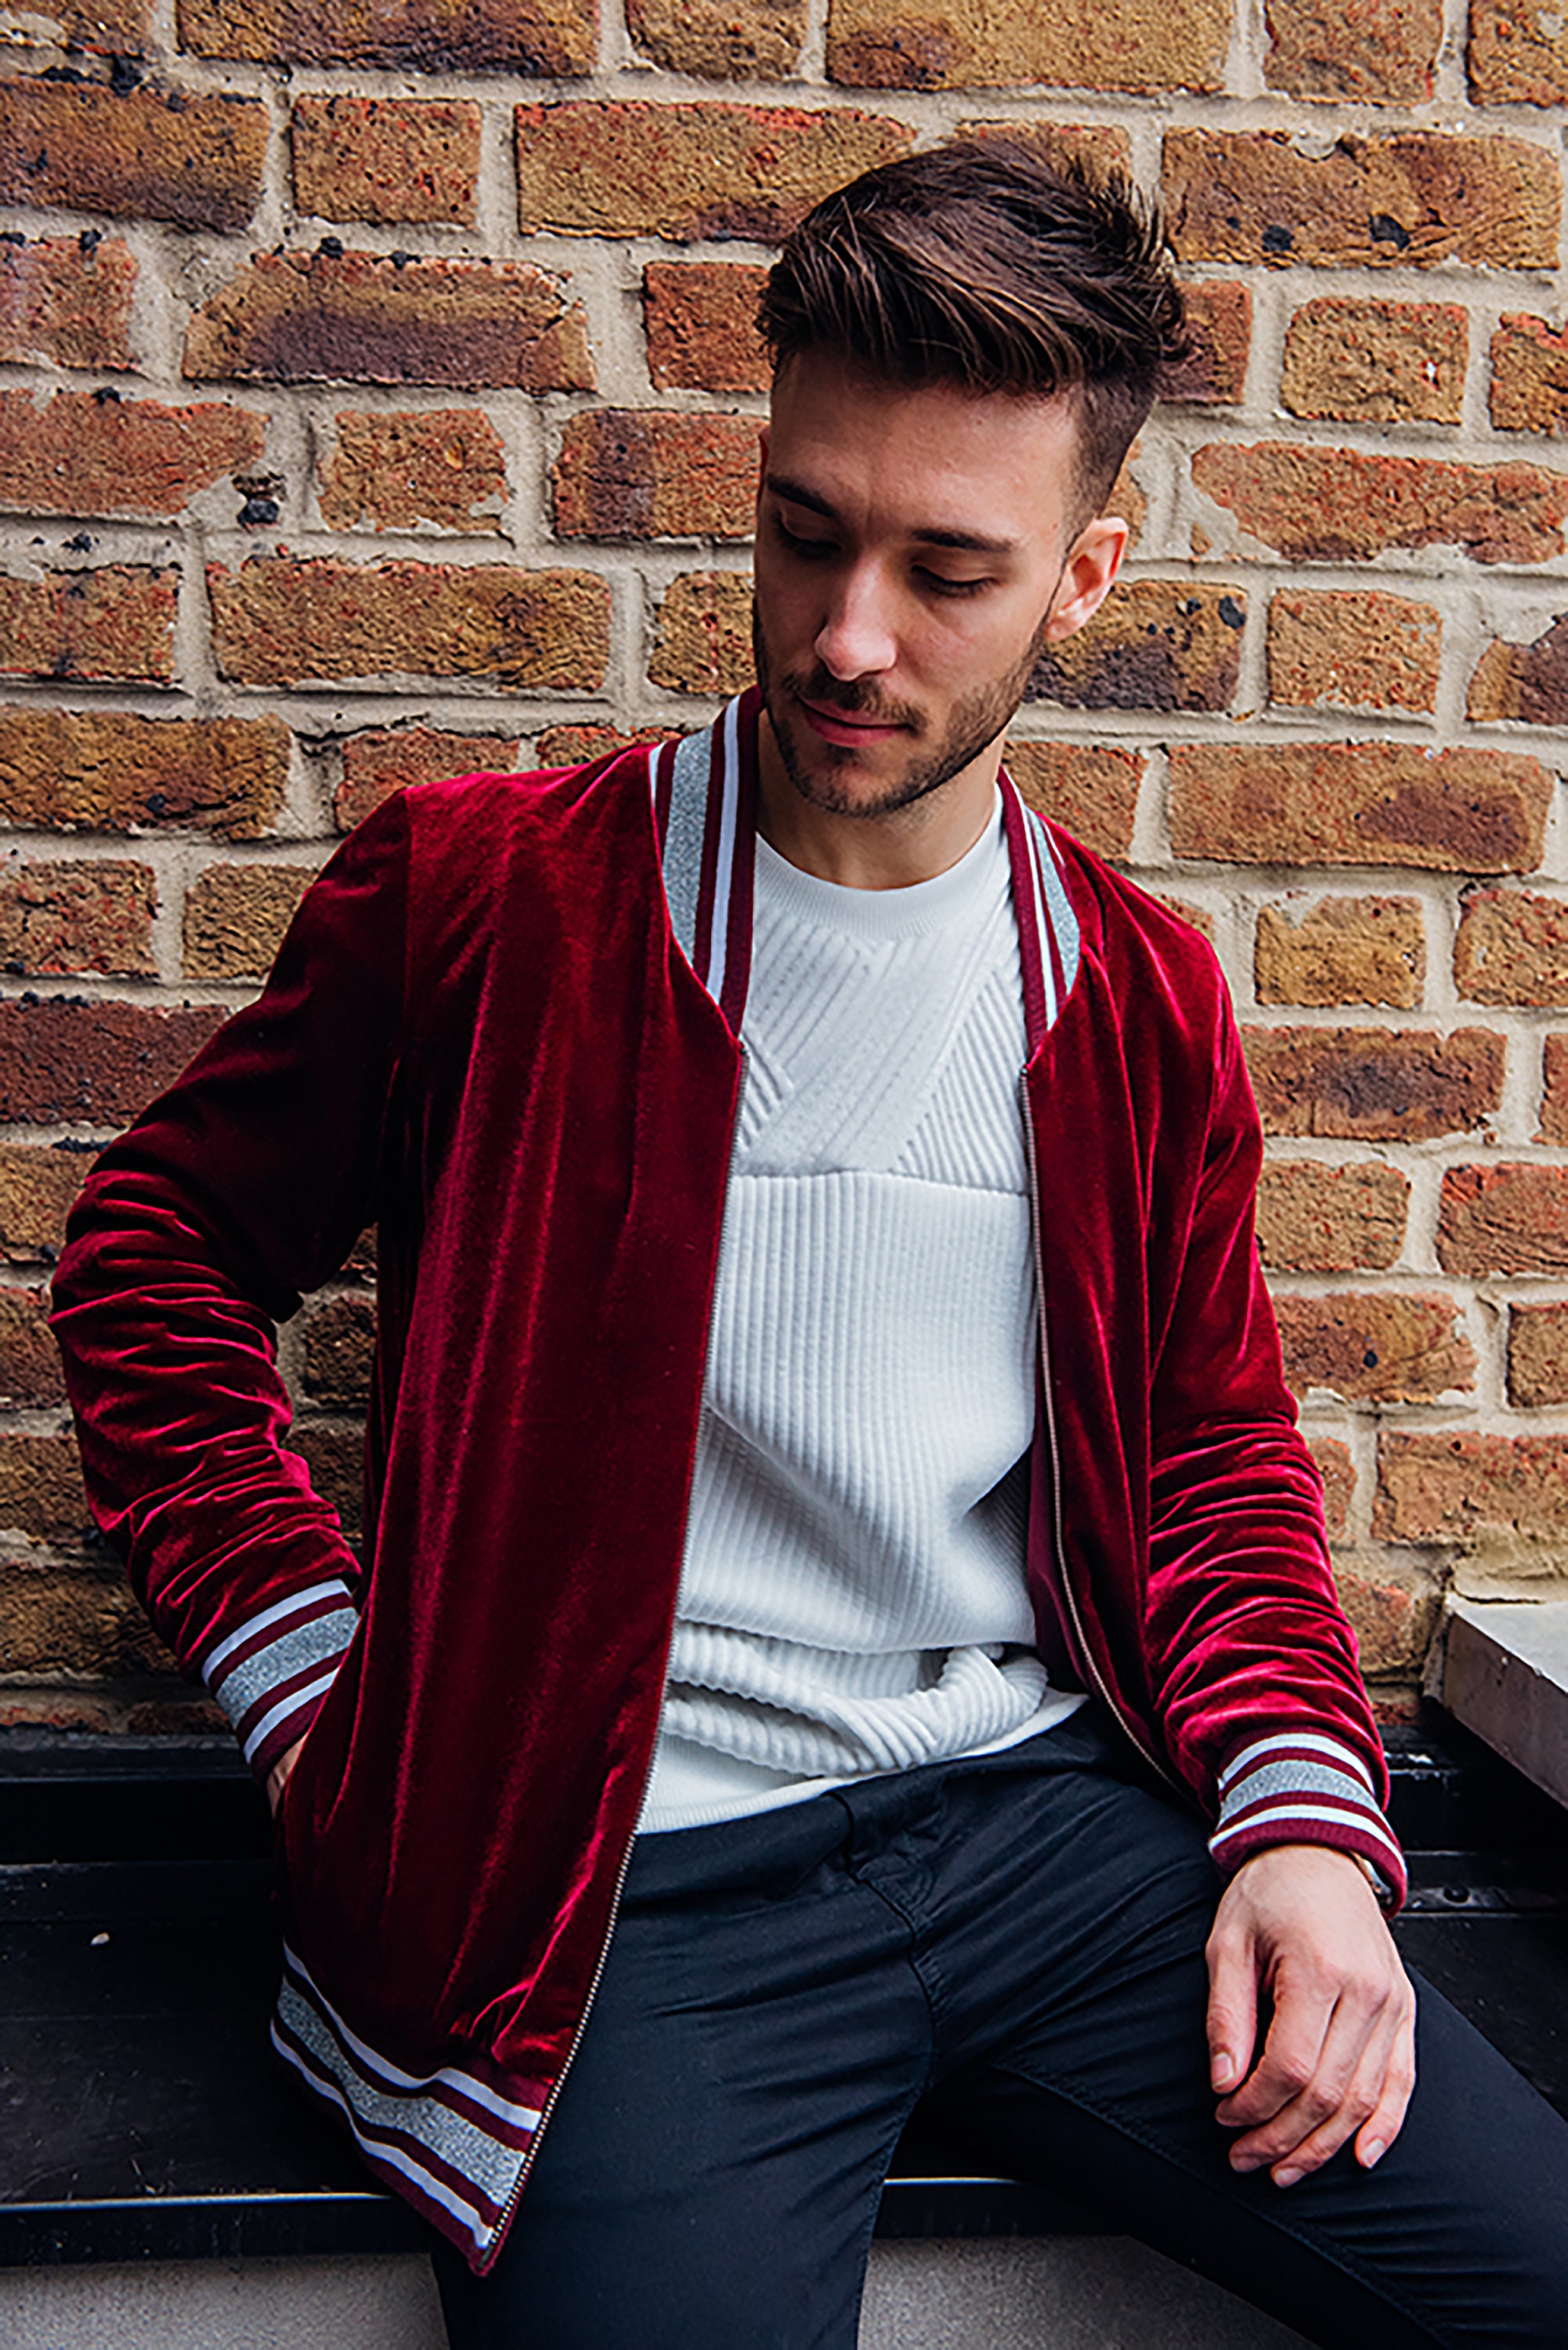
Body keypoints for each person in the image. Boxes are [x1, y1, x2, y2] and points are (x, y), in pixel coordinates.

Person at [50, 144, 1568, 2348]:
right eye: (800, 533)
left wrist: (1308, 1837)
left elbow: (1218, 1462)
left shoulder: (1125, 995)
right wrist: (318, 1694)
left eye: (947, 569)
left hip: (1051, 1832)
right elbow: (155, 1253)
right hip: (626, 1889)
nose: (846, 634)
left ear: (1084, 577)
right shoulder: (487, 904)